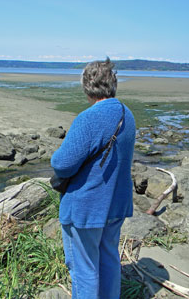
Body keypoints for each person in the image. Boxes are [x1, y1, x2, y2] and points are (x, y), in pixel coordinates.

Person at [51, 58, 136, 299]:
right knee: (108, 259)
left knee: (84, 268)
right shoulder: (126, 114)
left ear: (87, 86)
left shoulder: (89, 118)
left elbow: (62, 164)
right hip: (116, 205)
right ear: (113, 83)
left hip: (87, 208)